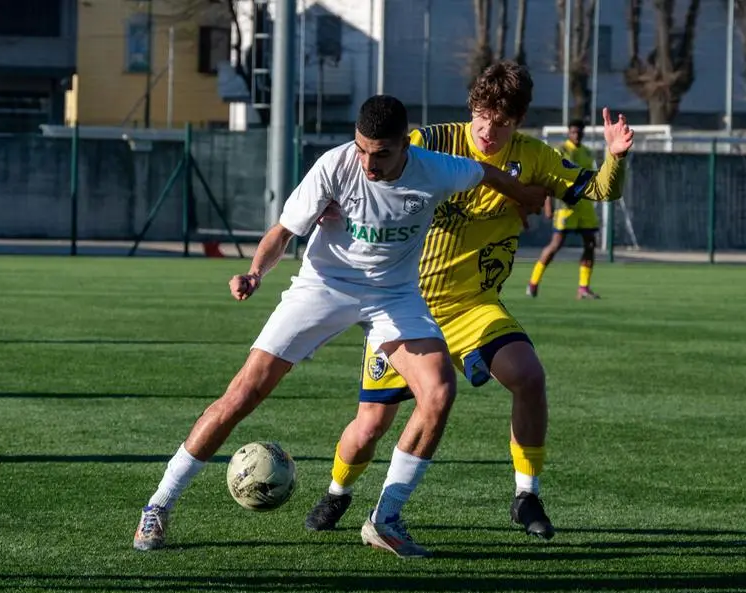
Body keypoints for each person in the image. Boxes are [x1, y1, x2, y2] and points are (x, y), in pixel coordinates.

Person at [132, 94, 546, 558]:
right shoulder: (335, 165)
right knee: (242, 393)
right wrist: (255, 273)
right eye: (362, 149)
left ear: (404, 147)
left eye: (382, 153)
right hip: (323, 287)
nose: (368, 163)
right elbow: (283, 231)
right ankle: (158, 505)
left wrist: (526, 197)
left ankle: (386, 519)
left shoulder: (436, 169)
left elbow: (485, 172)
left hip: (394, 297)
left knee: (439, 391)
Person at [304, 61, 633, 540]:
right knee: (370, 426)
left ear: (517, 122)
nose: (487, 129)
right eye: (481, 116)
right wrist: (334, 205)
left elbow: (602, 189)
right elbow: (374, 169)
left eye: (500, 122)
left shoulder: (535, 157)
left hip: (474, 307)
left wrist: (616, 155)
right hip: (406, 305)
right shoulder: (434, 140)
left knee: (529, 376)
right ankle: (337, 492)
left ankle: (526, 495)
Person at [527, 119, 604, 299]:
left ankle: (583, 288)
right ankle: (533, 283)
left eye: (579, 132)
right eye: (573, 132)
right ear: (569, 133)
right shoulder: (561, 151)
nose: (576, 135)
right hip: (565, 205)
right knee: (556, 244)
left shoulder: (587, 152)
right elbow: (549, 176)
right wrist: (548, 204)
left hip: (584, 205)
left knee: (590, 244)